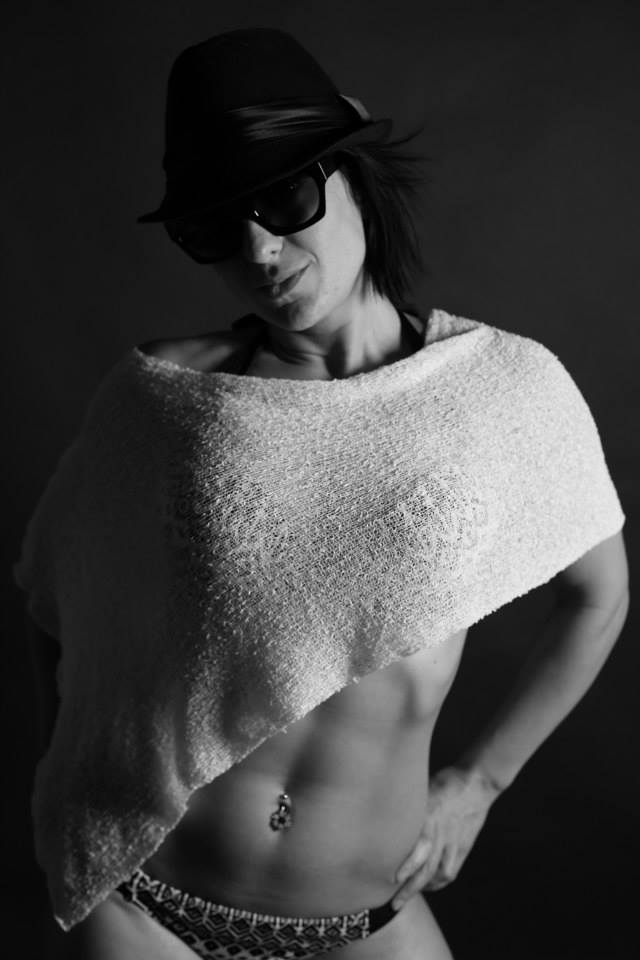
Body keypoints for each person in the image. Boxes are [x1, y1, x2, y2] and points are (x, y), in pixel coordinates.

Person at [18, 28, 629, 960]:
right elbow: (57, 597)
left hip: (363, 922)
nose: (259, 249)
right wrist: (59, 787)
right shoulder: (168, 396)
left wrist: (481, 782)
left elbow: (600, 594)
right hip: (144, 905)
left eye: (284, 199)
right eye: (215, 227)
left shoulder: (505, 389)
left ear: (352, 172)